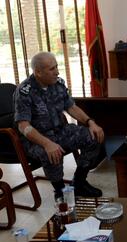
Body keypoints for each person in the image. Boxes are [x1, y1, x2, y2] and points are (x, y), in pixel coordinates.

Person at [14, 52, 105, 200]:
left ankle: (79, 183)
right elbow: (23, 125)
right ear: (38, 72)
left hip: (60, 130)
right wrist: (47, 143)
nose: (57, 72)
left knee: (93, 136)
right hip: (36, 139)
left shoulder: (58, 83)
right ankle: (60, 191)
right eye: (52, 69)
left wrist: (91, 122)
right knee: (50, 151)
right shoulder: (25, 91)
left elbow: (71, 107)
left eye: (56, 67)